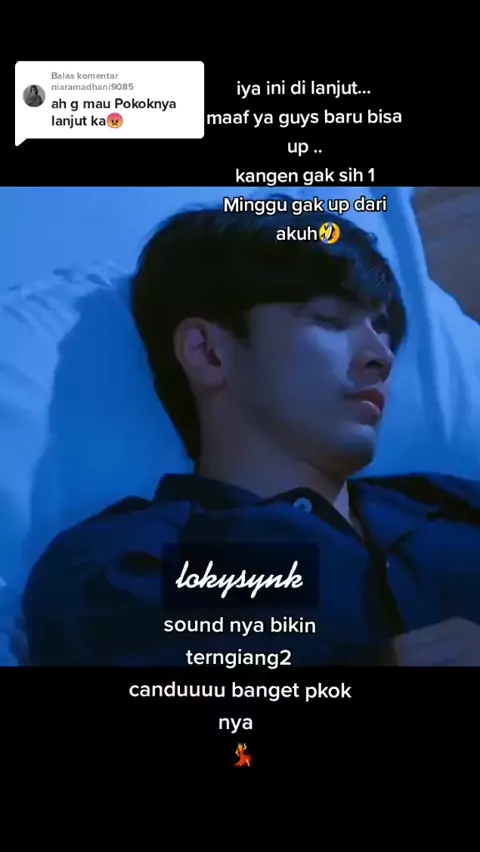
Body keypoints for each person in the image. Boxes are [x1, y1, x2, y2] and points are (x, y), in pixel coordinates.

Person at [22, 198, 480, 666]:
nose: (381, 356)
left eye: (383, 331)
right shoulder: (129, 566)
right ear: (207, 353)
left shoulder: (458, 506)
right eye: (329, 319)